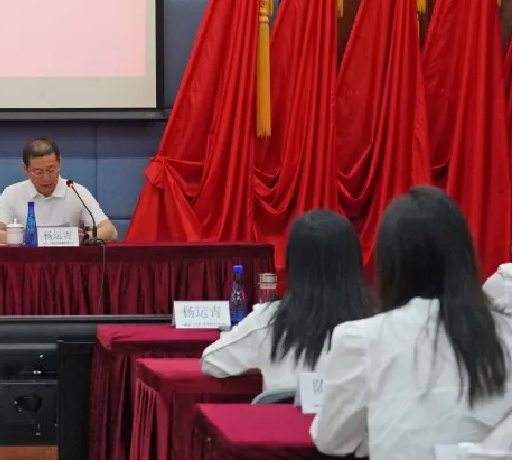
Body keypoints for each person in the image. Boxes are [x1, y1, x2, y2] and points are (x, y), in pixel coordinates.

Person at [311, 187, 512, 459]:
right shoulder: (506, 333)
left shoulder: (362, 339)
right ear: (463, 256)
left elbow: (332, 440)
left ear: (390, 263)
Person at [201, 210, 374, 390]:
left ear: (293, 263)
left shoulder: (269, 320)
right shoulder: (378, 325)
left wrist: (260, 364)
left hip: (282, 409)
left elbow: (211, 361)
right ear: (354, 261)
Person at [0, 138, 118, 244]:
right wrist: (26, 237)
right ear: (25, 169)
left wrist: (85, 237)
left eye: (51, 169)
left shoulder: (76, 191)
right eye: (38, 172)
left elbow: (110, 232)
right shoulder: (12, 193)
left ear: (60, 162)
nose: (46, 178)